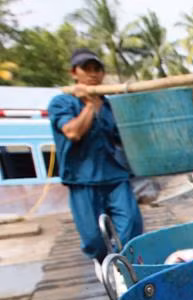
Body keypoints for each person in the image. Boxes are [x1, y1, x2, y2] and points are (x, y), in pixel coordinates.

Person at [48, 48, 143, 281]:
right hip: (82, 179)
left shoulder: (110, 106)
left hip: (116, 176)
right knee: (92, 238)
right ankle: (101, 260)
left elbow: (126, 138)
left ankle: (125, 270)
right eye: (86, 69)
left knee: (131, 224)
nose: (92, 74)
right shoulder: (62, 102)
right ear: (74, 73)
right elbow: (72, 132)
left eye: (96, 69)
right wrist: (89, 105)